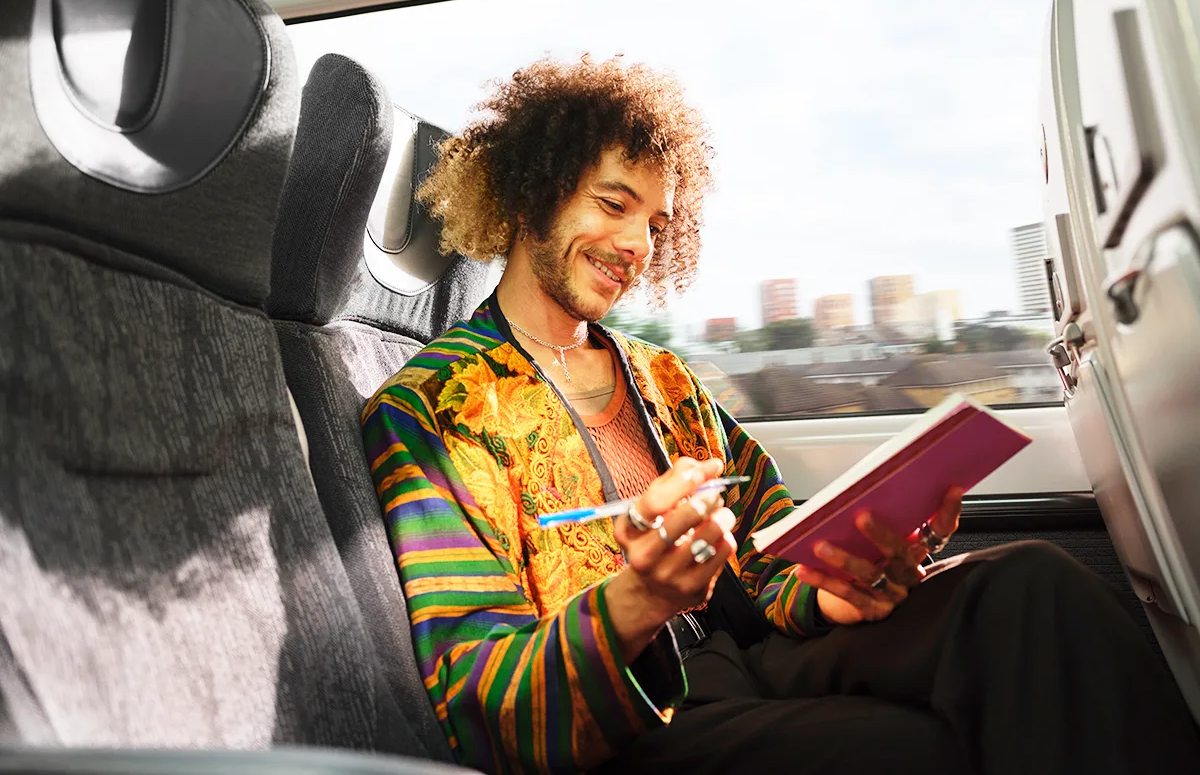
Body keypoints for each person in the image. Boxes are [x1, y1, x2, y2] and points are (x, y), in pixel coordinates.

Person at [362, 55, 1199, 775]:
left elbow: (768, 557)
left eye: (656, 222)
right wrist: (638, 600)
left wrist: (843, 581)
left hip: (742, 655)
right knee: (914, 748)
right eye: (613, 205)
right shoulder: (432, 410)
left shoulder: (663, 379)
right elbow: (481, 696)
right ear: (525, 197)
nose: (639, 245)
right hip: (625, 724)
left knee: (1030, 589)